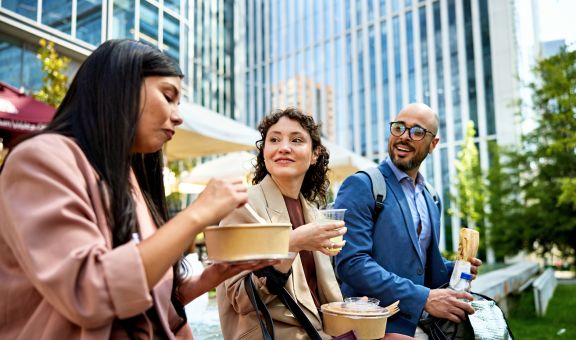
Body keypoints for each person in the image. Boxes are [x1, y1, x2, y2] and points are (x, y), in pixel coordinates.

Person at [0, 39, 275, 339]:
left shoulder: (128, 177)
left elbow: (142, 300)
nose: (178, 116)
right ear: (121, 88)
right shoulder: (39, 159)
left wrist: (211, 277)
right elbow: (89, 292)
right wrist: (196, 214)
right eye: (168, 97)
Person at [334, 103, 482, 338]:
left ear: (433, 144)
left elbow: (419, 267)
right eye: (399, 128)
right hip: (374, 327)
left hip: (422, 325)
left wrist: (457, 269)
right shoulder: (362, 185)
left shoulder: (432, 197)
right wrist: (423, 298)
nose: (404, 137)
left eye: (417, 132)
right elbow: (352, 263)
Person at [217, 108, 347, 339]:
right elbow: (241, 298)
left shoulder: (314, 213)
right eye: (274, 139)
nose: (283, 147)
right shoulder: (242, 206)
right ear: (265, 151)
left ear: (315, 154)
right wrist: (291, 244)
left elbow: (315, 293)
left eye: (296, 140)